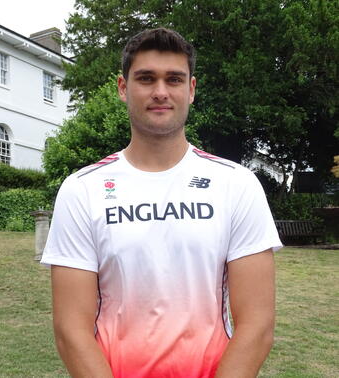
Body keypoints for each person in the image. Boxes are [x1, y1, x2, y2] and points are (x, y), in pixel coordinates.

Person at [41, 28, 282, 378]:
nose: (160, 92)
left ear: (191, 89)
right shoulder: (82, 189)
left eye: (173, 79)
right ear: (123, 88)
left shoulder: (236, 184)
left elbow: (257, 324)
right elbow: (70, 329)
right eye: (145, 78)